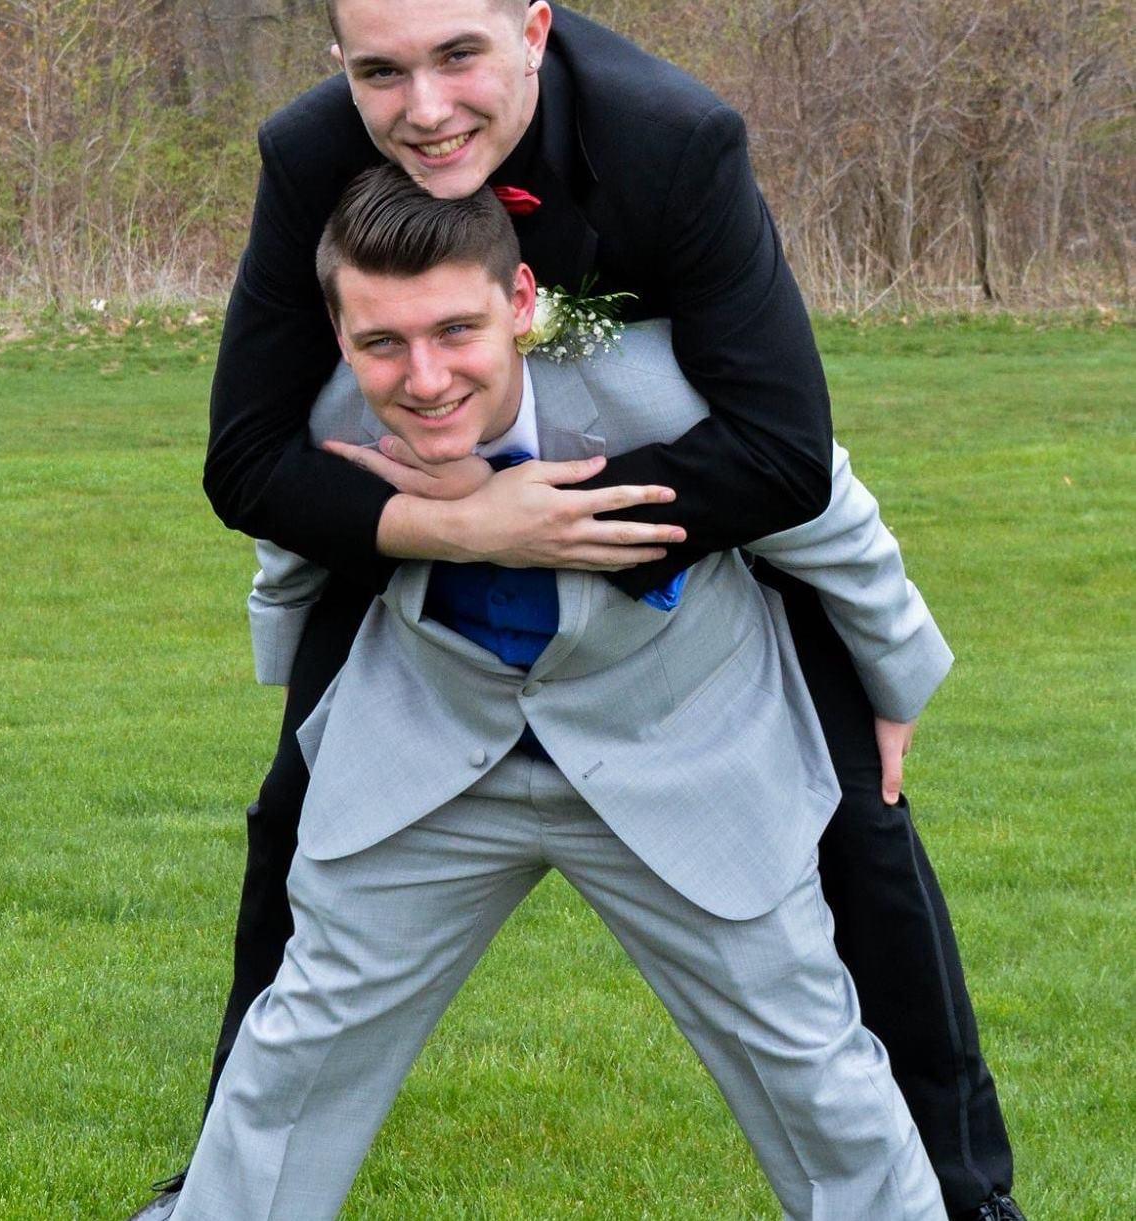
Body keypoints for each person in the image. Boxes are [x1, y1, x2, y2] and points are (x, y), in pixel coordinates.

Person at [132, 4, 1022, 1219]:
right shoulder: (316, 206)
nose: (425, 108)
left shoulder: (672, 153)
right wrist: (451, 533)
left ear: (535, 32)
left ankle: (963, 1202)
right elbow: (266, 491)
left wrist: (888, 674)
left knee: (857, 887)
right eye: (381, 71)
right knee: (293, 898)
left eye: (459, 56)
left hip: (674, 709)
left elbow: (800, 475)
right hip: (436, 720)